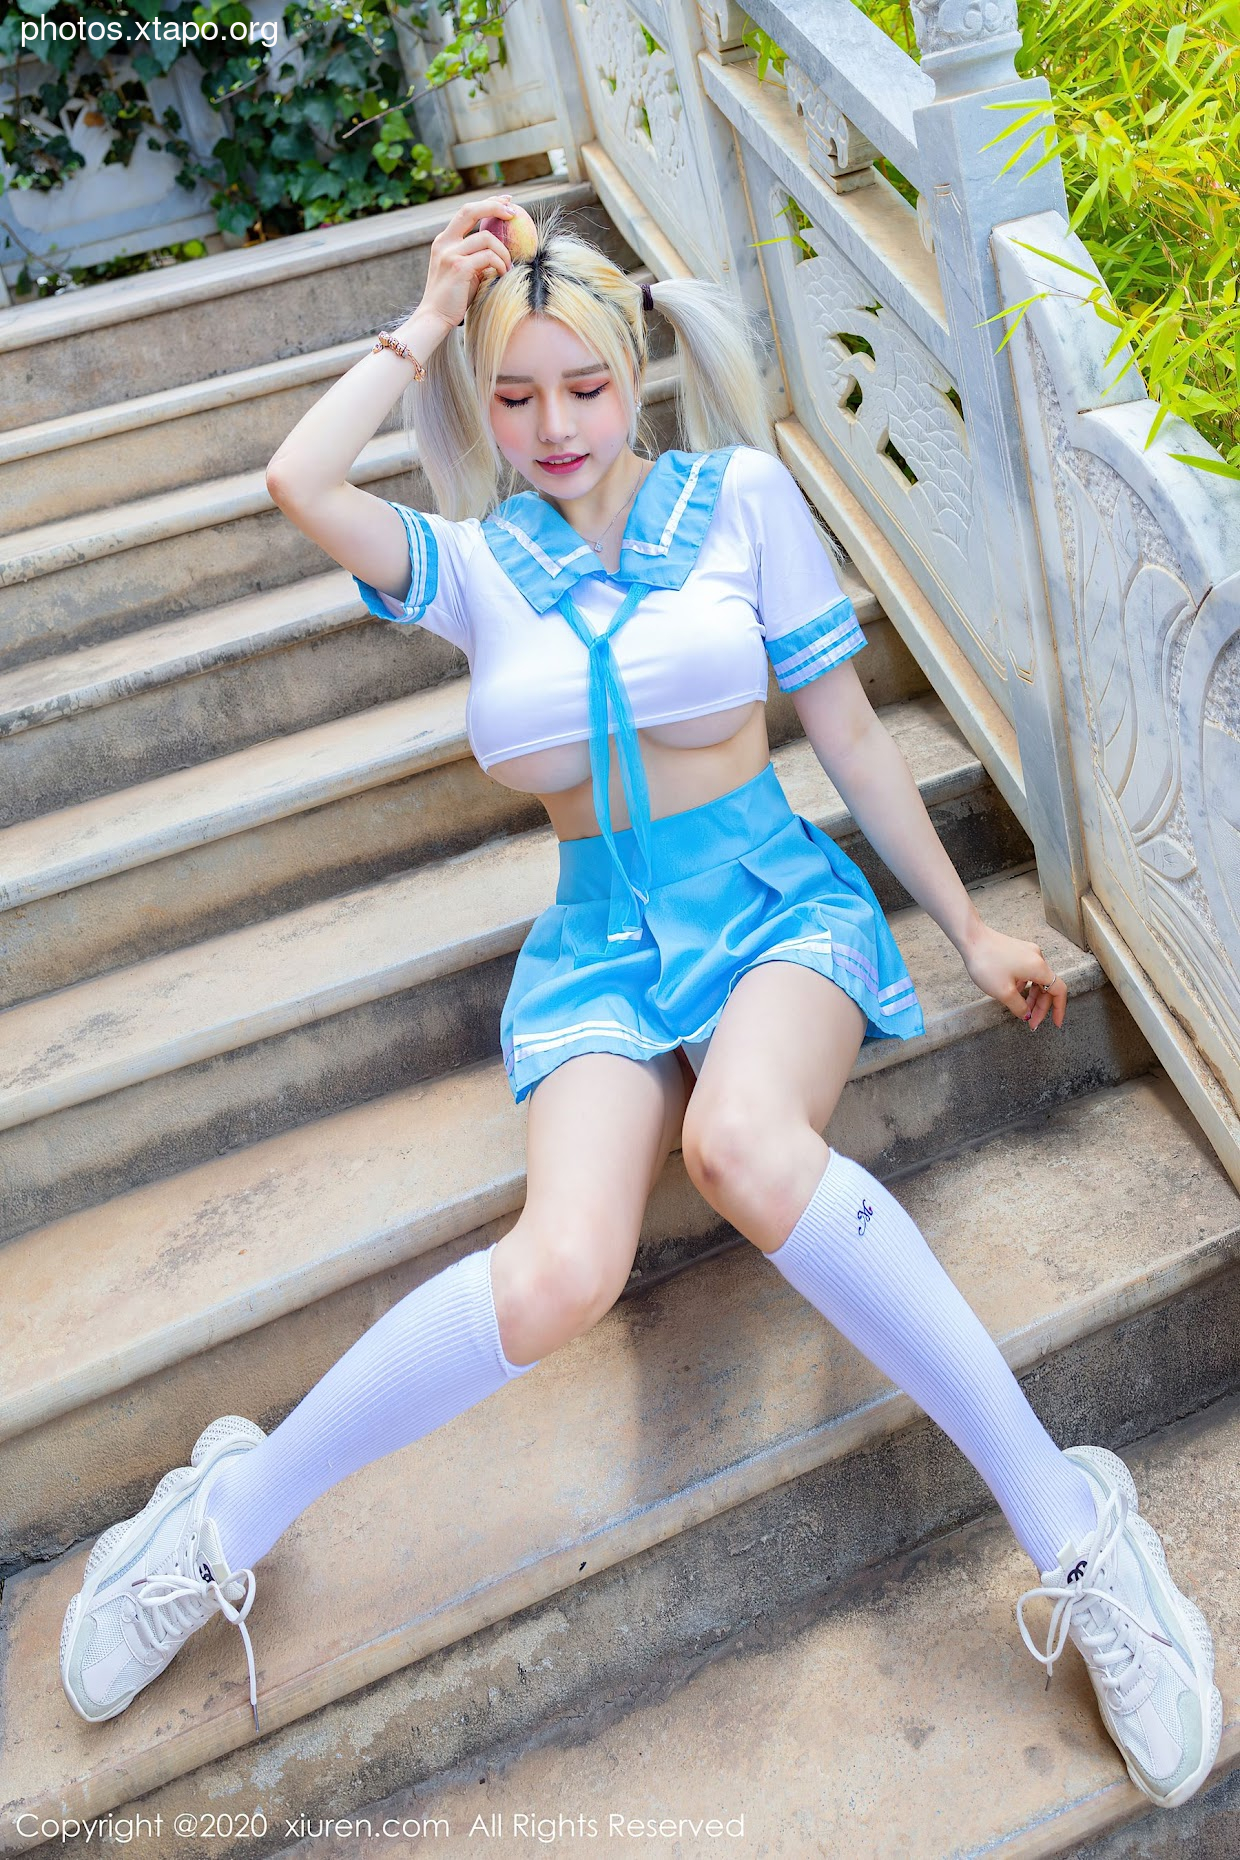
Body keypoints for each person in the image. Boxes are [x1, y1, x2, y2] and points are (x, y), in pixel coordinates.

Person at [59, 197, 1220, 1813]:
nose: (551, 428)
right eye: (514, 395)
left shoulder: (740, 500)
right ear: (477, 398)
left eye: (583, 389)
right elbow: (298, 484)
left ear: (636, 375)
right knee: (557, 1272)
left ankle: (1085, 1541)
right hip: (599, 942)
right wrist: (425, 311)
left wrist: (962, 925)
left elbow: (852, 729)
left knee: (746, 1149)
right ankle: (219, 1522)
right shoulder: (471, 568)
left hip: (767, 903)